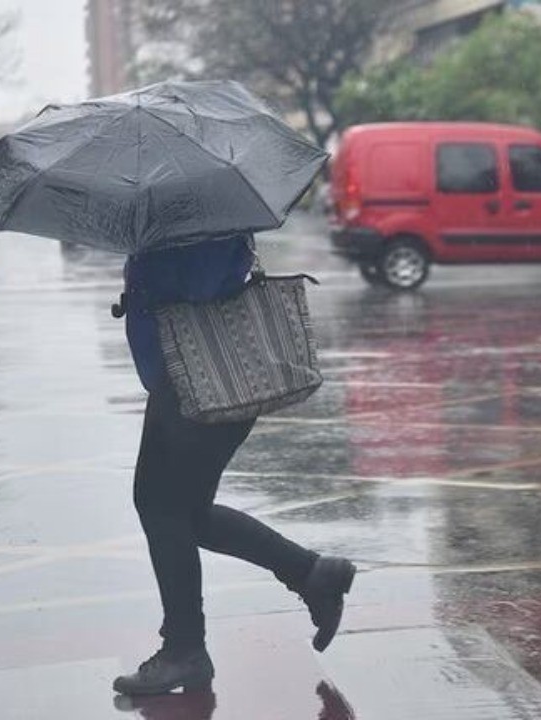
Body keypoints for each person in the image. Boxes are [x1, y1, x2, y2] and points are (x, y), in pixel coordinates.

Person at [113, 232, 356, 696]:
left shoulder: (199, 211)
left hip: (201, 375)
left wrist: (147, 276)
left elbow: (203, 282)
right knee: (187, 515)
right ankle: (312, 574)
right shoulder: (181, 202)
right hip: (184, 376)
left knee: (162, 508)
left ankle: (185, 649)